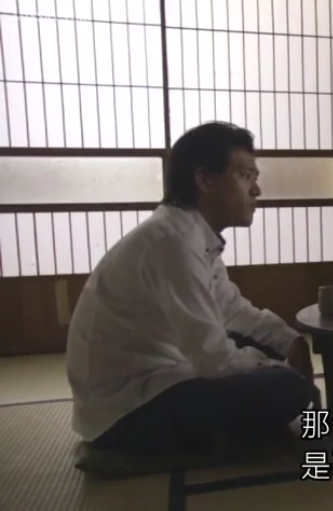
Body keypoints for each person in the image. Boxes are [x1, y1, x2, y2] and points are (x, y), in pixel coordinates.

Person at [66, 122, 319, 457]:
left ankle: (229, 432)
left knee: (267, 348)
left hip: (160, 373)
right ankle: (219, 438)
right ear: (205, 180)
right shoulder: (172, 241)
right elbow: (213, 358)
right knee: (288, 389)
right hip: (126, 408)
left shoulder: (192, 234)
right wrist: (283, 372)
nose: (256, 190)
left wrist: (289, 340)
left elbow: (231, 309)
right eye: (245, 176)